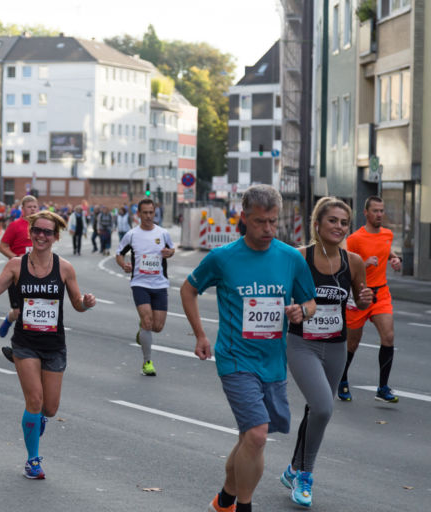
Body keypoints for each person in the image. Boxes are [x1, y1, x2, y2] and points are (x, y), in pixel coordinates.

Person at [179, 184, 316, 512]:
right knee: (256, 434)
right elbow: (188, 289)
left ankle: (224, 498)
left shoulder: (289, 258)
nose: (268, 229)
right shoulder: (223, 258)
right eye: (260, 222)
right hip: (235, 358)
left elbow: (309, 302)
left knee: (247, 438)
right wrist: (200, 335)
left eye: (273, 221)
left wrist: (302, 312)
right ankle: (243, 506)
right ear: (244, 218)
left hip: (272, 361)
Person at [0, 210, 96, 479]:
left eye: (47, 232)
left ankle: (35, 423)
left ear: (55, 236)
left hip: (54, 345)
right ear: (30, 233)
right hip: (25, 343)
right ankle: (32, 460)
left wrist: (86, 302)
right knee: (35, 400)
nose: (41, 236)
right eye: (36, 230)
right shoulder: (16, 265)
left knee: (50, 408)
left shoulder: (64, 268)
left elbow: (76, 304)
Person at [280, 197, 373, 508]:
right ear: (317, 224)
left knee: (316, 409)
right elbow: (280, 294)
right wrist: (291, 309)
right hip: (302, 344)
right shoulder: (298, 258)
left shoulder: (353, 261)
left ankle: (293, 468)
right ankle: (305, 475)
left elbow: (360, 303)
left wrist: (365, 298)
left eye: (343, 222)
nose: (339, 227)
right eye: (332, 220)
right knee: (322, 408)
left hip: (335, 346)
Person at [339, 196, 404, 403]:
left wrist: (395, 258)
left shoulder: (388, 234)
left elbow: (385, 249)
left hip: (381, 293)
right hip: (359, 294)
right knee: (352, 344)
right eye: (375, 211)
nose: (379, 214)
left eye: (381, 211)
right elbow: (344, 268)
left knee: (389, 337)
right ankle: (342, 379)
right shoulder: (355, 239)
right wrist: (364, 264)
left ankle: (383, 388)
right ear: (365, 213)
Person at [115, 198, 175, 376]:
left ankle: (143, 327)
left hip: (160, 283)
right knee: (149, 323)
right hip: (140, 283)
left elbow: (171, 250)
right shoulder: (132, 235)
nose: (149, 216)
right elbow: (119, 253)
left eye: (151, 212)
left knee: (157, 326)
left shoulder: (163, 233)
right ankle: (147, 362)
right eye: (145, 213)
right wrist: (123, 264)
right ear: (139, 214)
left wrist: (168, 253)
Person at [0, 195, 40, 342]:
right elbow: (2, 247)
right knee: (18, 312)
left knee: (32, 310)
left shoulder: (41, 226)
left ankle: (19, 343)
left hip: (36, 275)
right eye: (30, 207)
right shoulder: (15, 225)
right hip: (16, 274)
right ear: (22, 209)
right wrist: (16, 258)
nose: (33, 209)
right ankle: (9, 319)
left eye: (35, 206)